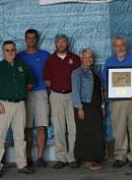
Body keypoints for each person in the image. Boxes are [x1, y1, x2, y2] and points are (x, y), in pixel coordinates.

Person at [0, 41, 35, 178]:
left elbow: (31, 82)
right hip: (3, 106)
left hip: (20, 105)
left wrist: (21, 93)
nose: (10, 52)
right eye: (7, 50)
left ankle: (22, 165)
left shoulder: (22, 66)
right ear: (3, 52)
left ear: (15, 51)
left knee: (20, 137)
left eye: (12, 50)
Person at [102, 36, 132, 169]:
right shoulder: (109, 61)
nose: (120, 48)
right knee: (118, 129)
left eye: (122, 45)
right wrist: (107, 93)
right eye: (117, 45)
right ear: (114, 48)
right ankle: (120, 157)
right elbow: (105, 81)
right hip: (117, 101)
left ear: (125, 46)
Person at [43, 34, 81, 169]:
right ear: (55, 44)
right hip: (56, 96)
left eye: (63, 41)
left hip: (72, 95)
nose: (61, 44)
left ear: (67, 43)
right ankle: (61, 158)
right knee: (59, 128)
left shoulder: (75, 59)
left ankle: (73, 157)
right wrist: (57, 88)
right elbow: (47, 79)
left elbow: (80, 78)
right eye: (58, 42)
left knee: (73, 128)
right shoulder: (50, 60)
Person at [17, 29, 50, 167]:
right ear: (25, 40)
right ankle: (28, 157)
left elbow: (51, 73)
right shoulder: (19, 57)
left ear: (36, 39)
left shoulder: (45, 55)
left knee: (41, 126)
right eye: (28, 38)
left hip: (41, 92)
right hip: (25, 94)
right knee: (27, 128)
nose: (31, 40)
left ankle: (40, 157)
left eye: (33, 38)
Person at [72, 48, 105, 171]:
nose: (88, 59)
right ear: (81, 59)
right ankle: (87, 161)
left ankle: (94, 159)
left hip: (96, 108)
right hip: (84, 107)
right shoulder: (77, 73)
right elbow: (75, 91)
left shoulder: (96, 73)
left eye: (90, 57)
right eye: (85, 57)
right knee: (85, 134)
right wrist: (79, 108)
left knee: (96, 133)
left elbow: (100, 91)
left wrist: (102, 106)